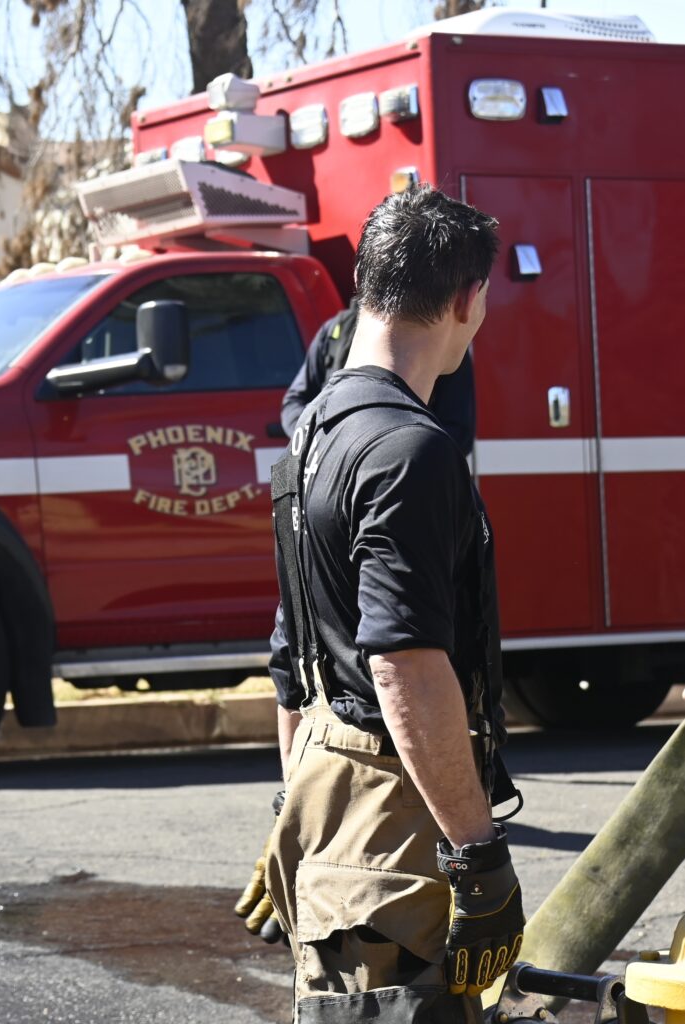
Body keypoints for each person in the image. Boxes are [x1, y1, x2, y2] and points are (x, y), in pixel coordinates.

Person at [263, 185, 522, 1024]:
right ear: (465, 300)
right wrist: (476, 855)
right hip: (393, 825)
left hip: (328, 805)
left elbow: (290, 656)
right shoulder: (410, 450)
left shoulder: (309, 437)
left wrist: (296, 808)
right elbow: (404, 663)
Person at [280, 298, 477, 458]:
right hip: (337, 480)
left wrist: (394, 456)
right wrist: (324, 439)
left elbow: (459, 432)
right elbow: (293, 404)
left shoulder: (440, 341)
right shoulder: (334, 332)